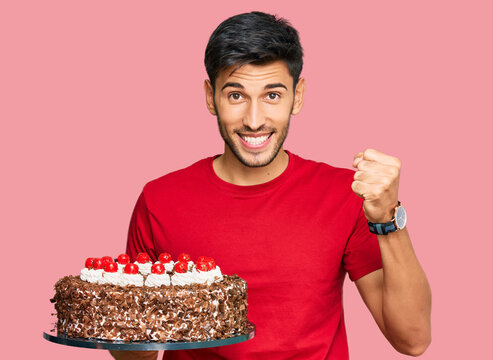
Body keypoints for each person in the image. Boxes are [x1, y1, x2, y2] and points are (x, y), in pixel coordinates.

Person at [110, 11, 431, 360]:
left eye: (272, 96)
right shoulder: (160, 200)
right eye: (236, 95)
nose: (254, 120)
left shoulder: (344, 194)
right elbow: (134, 357)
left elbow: (412, 340)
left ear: (298, 95)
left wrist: (387, 219)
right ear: (210, 96)